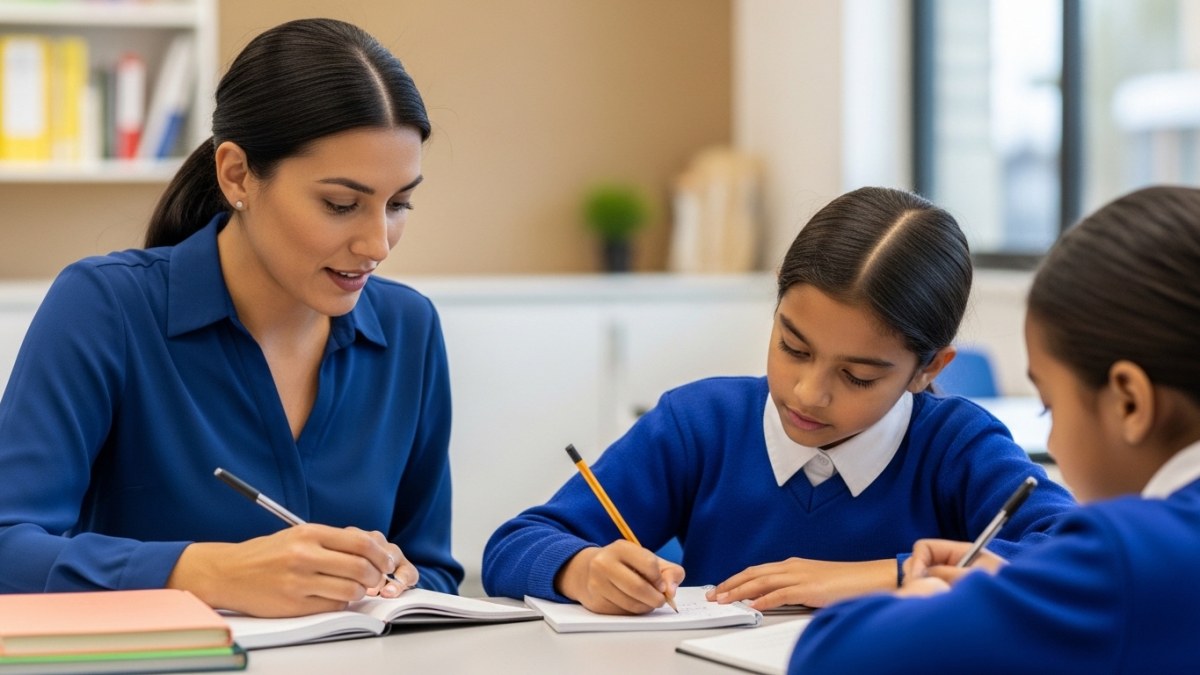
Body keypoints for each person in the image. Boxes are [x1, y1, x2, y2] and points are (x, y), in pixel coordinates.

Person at [0, 18, 463, 617]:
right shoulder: (106, 306)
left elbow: (437, 572)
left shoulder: (409, 330)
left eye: (398, 204)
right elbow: (8, 548)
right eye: (341, 204)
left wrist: (401, 579)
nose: (378, 243)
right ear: (237, 174)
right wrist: (205, 571)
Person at [481, 186, 1075, 615]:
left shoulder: (956, 445)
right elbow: (514, 546)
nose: (809, 393)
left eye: (859, 377)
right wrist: (582, 570)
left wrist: (887, 576)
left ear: (928, 370)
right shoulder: (700, 425)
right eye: (793, 347)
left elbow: (1076, 557)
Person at [787, 185, 1200, 673]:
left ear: (1130, 402)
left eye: (1049, 406)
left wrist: (927, 593)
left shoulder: (1130, 558)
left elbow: (831, 658)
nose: (1050, 442)